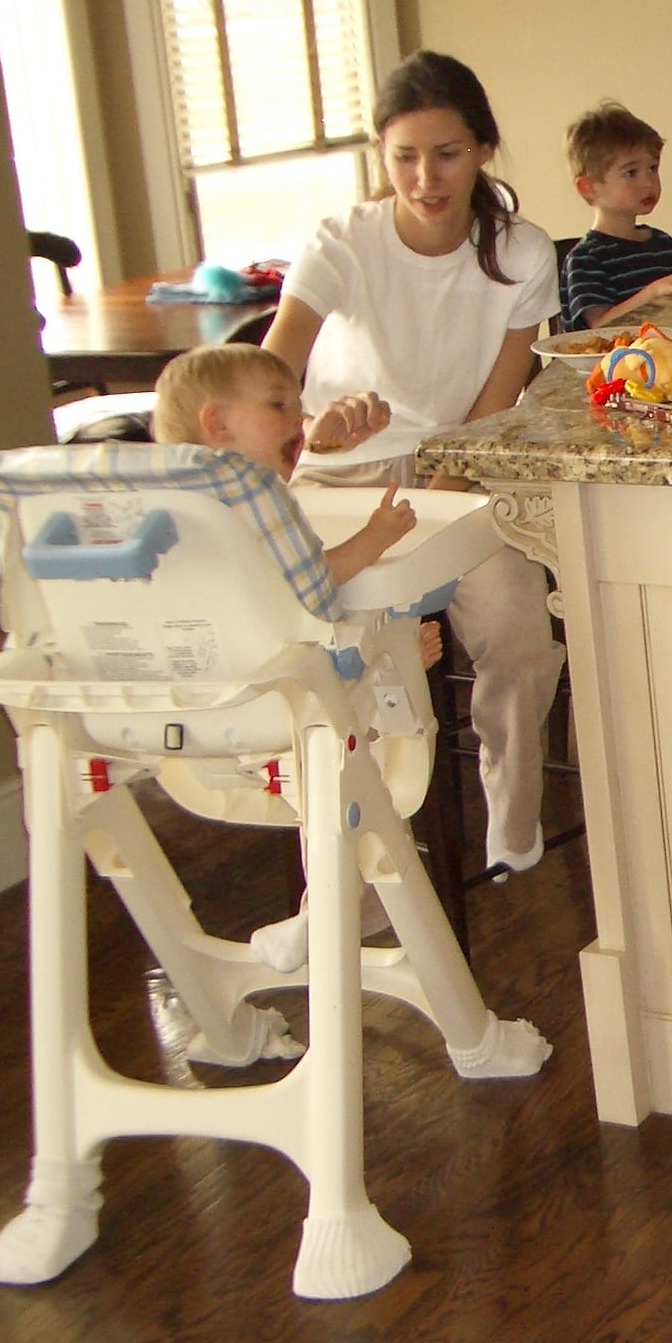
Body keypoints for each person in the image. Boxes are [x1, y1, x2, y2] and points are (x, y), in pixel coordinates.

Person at [261, 50, 565, 878]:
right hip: (341, 475)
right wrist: (310, 428)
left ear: (484, 150)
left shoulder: (525, 255)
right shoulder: (342, 245)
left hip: (459, 473)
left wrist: (436, 502)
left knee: (518, 634)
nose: (426, 177)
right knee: (341, 651)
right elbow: (269, 379)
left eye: (448, 154)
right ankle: (352, 846)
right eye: (405, 157)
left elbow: (496, 407)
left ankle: (513, 816)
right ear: (380, 155)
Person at [149, 344, 442, 667]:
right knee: (391, 630)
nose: (297, 421)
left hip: (202, 668)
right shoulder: (253, 495)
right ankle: (398, 658)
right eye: (278, 405)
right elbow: (314, 579)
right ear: (218, 423)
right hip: (291, 674)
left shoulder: (166, 497)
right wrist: (377, 535)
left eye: (298, 408)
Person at [560, 101, 672, 330]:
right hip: (616, 365)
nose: (648, 182)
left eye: (652, 168)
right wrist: (653, 292)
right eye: (631, 172)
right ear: (589, 188)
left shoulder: (661, 243)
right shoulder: (585, 260)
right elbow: (598, 327)